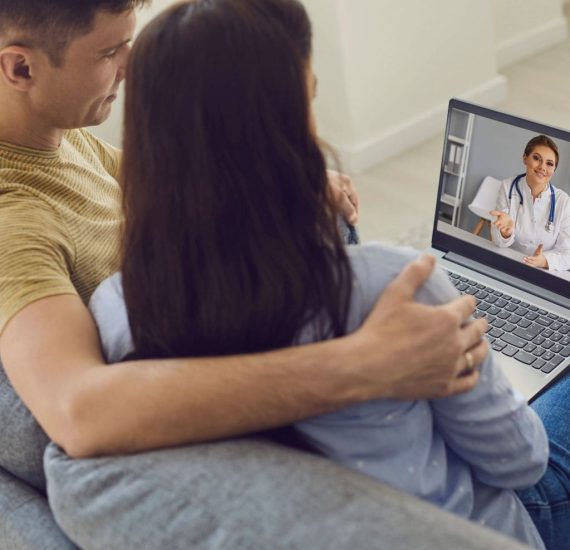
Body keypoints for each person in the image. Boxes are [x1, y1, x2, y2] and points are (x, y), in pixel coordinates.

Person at [84, 0, 553, 546]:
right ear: (282, 125)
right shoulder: (396, 286)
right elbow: (522, 463)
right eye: (306, 96)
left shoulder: (117, 309)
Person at [0, 0, 486, 482]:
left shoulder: (57, 136)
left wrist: (290, 175)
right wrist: (370, 364)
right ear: (21, 67)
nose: (131, 67)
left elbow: (175, 181)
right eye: (109, 53)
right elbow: (79, 413)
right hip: (253, 416)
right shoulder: (13, 220)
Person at [490, 135, 570, 271]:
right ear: (525, 158)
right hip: (507, 266)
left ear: (554, 169)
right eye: (536, 158)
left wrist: (544, 260)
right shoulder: (507, 187)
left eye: (549, 163)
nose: (542, 167)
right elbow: (498, 242)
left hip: (542, 273)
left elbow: (568, 254)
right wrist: (505, 233)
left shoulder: (564, 201)